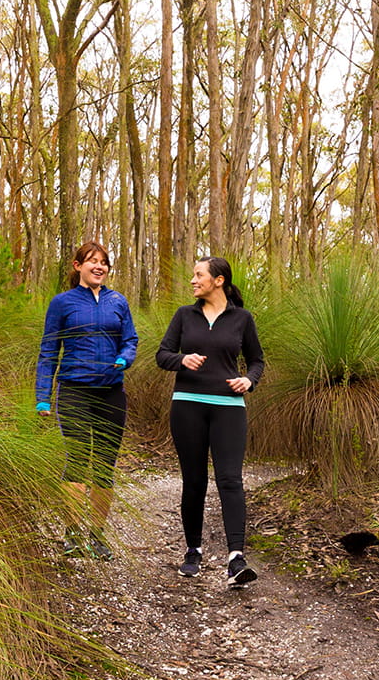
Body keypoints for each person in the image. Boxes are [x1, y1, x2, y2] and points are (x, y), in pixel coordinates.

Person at [156, 256, 264, 587]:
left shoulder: (242, 318)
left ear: (218, 280)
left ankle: (236, 559)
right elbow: (162, 355)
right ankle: (193, 551)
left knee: (230, 479)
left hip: (229, 408)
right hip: (187, 405)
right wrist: (182, 359)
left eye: (198, 274)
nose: (193, 280)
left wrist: (248, 381)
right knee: (194, 480)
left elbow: (257, 360)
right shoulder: (184, 315)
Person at [35, 241, 137, 559]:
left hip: (111, 393)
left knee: (105, 465)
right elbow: (48, 350)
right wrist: (43, 397)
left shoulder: (117, 301)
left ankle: (96, 536)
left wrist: (124, 358)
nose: (99, 266)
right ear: (78, 266)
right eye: (92, 261)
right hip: (74, 390)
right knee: (77, 461)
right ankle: (73, 534)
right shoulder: (62, 303)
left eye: (104, 262)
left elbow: (130, 339)